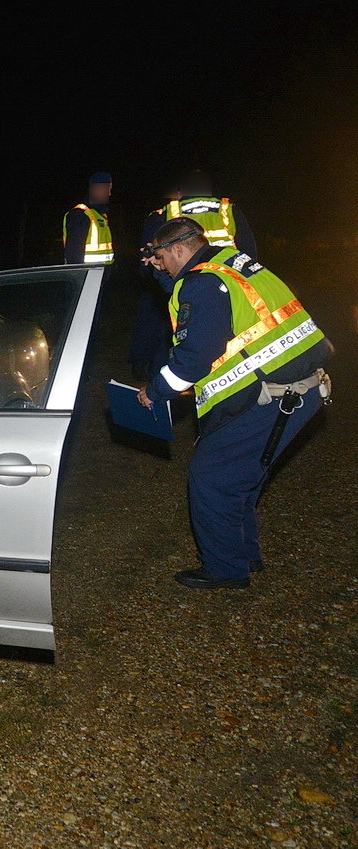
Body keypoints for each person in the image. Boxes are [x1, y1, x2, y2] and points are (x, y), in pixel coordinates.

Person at [138, 217, 333, 589]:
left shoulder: (203, 284)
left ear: (179, 248)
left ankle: (225, 569)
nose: (159, 264)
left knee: (212, 477)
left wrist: (156, 390)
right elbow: (195, 297)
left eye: (162, 257)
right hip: (301, 386)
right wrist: (163, 276)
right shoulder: (231, 263)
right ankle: (244, 555)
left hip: (270, 393)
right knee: (240, 476)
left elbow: (195, 357)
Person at [129, 183, 182, 380]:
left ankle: (155, 374)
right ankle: (146, 369)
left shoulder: (161, 216)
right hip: (164, 282)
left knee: (165, 331)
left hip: (177, 284)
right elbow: (147, 253)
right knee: (156, 327)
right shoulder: (224, 212)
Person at [163, 170, 257, 257]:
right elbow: (247, 245)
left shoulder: (168, 212)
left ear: (181, 191)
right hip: (225, 269)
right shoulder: (228, 208)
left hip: (189, 272)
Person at [63, 171, 114, 265]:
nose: (109, 193)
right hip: (87, 276)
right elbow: (73, 255)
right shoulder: (80, 214)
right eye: (107, 188)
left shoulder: (100, 215)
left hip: (100, 276)